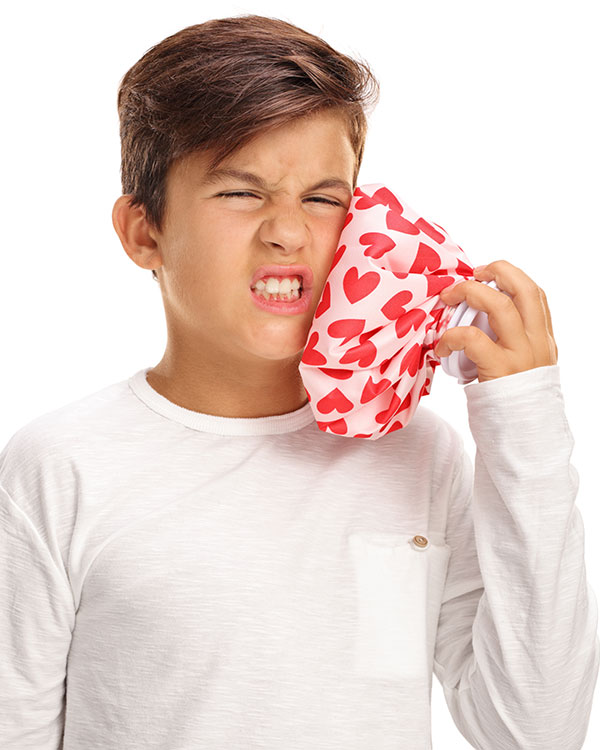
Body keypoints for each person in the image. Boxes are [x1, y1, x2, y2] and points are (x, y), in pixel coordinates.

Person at [0, 14, 598, 750]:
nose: (288, 232)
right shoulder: (58, 468)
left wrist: (522, 424)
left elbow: (536, 732)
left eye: (323, 198)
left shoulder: (421, 457)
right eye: (240, 193)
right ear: (144, 232)